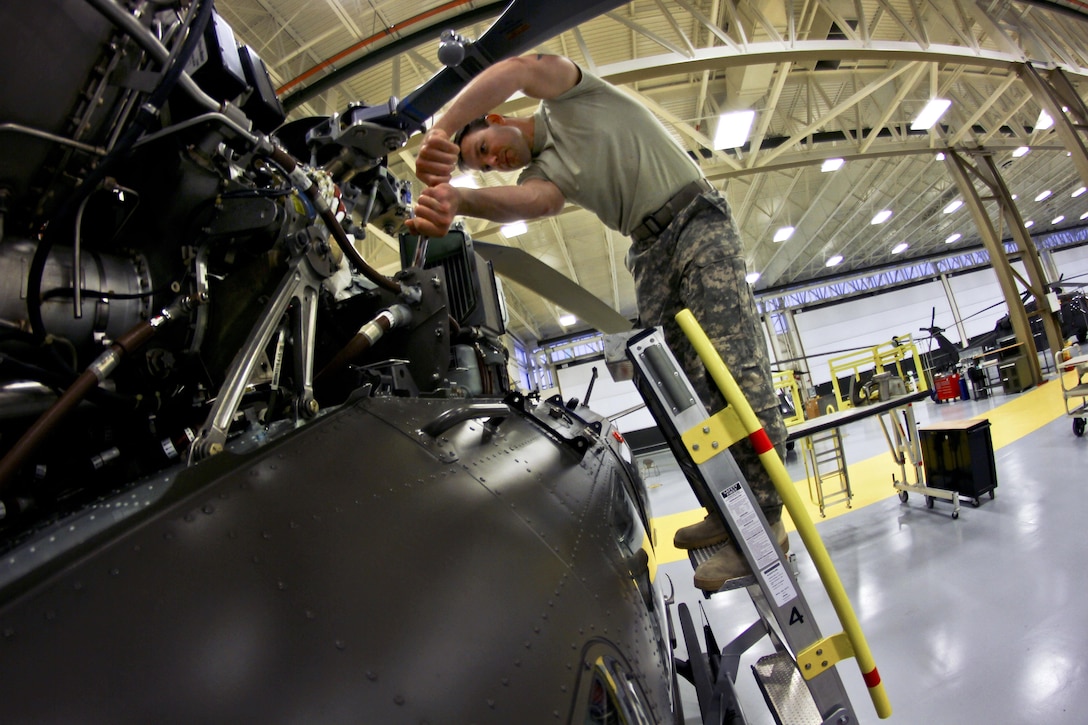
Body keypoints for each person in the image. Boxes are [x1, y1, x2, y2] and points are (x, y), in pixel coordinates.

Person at [405, 53, 787, 592]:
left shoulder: (570, 95)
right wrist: (458, 198)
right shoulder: (547, 173)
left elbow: (514, 68)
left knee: (732, 362)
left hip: (694, 218)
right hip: (649, 250)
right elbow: (533, 204)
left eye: (484, 150)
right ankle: (726, 512)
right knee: (672, 390)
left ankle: (767, 522)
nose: (494, 161)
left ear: (495, 120)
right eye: (486, 165)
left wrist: (440, 132)